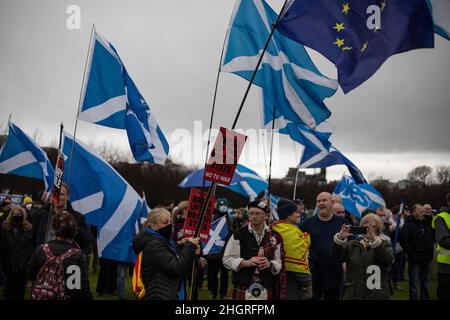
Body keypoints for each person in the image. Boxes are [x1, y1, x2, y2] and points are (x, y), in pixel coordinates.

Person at [132, 208, 199, 300]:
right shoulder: (153, 245)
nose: (169, 225)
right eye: (165, 222)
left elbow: (172, 256)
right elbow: (177, 268)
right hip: (160, 295)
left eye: (170, 221)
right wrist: (189, 246)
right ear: (153, 226)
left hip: (168, 292)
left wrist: (183, 247)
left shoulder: (162, 240)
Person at [223, 199, 283, 300]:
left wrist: (269, 264)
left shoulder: (274, 236)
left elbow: (278, 262)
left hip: (266, 286)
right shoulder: (238, 235)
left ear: (266, 215)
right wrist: (246, 262)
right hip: (243, 286)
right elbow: (227, 259)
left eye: (258, 213)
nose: (254, 216)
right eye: (251, 213)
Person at [28, 211, 92, 300]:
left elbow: (31, 275)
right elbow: (79, 287)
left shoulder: (40, 250)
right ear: (74, 231)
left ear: (53, 229)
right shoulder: (76, 255)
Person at [331, 213, 393, 299]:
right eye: (365, 226)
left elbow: (387, 261)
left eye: (372, 227)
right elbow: (335, 257)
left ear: (378, 228)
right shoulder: (352, 244)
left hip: (376, 293)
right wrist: (340, 238)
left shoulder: (385, 244)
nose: (368, 229)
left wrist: (375, 242)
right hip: (353, 294)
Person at [300, 192, 346, 300]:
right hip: (313, 273)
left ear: (332, 203)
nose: (321, 203)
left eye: (324, 200)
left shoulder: (343, 223)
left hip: (335, 272)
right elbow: (300, 247)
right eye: (318, 201)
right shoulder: (306, 224)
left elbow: (349, 245)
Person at [32, 184, 92, 256]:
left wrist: (71, 223)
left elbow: (85, 242)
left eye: (62, 194)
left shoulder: (78, 217)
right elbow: (32, 240)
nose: (58, 197)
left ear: (67, 197)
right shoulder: (40, 215)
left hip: (65, 260)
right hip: (43, 259)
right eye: (55, 194)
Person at [271, 198, 312, 300]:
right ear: (289, 215)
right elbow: (299, 251)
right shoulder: (292, 231)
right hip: (298, 275)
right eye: (296, 212)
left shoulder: (274, 227)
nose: (299, 214)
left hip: (280, 274)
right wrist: (307, 237)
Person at [400, 204, 435, 300]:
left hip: (427, 258)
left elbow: (432, 238)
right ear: (414, 212)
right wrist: (412, 254)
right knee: (414, 285)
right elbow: (404, 241)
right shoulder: (408, 224)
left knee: (426, 284)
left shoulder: (427, 222)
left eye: (424, 212)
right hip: (415, 259)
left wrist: (430, 253)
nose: (423, 214)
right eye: (421, 212)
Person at [1, 206, 33, 300]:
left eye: (19, 214)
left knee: (20, 294)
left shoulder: (28, 229)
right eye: (15, 214)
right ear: (11, 215)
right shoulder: (5, 228)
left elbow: (29, 248)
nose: (17, 216)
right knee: (8, 294)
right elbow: (3, 246)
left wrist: (28, 265)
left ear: (23, 216)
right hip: (8, 267)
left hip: (22, 268)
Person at [206, 198, 232, 299]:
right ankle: (213, 292)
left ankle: (223, 293)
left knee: (225, 275)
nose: (223, 207)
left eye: (225, 205)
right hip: (213, 252)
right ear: (218, 206)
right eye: (222, 205)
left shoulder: (231, 219)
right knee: (212, 274)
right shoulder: (212, 219)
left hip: (226, 252)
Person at [431, 194, 450, 300]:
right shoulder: (442, 217)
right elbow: (443, 240)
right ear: (449, 202)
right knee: (445, 293)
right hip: (446, 265)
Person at [390, 204, 407, 291]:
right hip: (393, 249)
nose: (400, 216)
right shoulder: (390, 221)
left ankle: (397, 284)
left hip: (401, 248)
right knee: (392, 267)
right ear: (394, 213)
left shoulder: (402, 220)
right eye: (398, 214)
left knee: (399, 268)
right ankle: (391, 284)